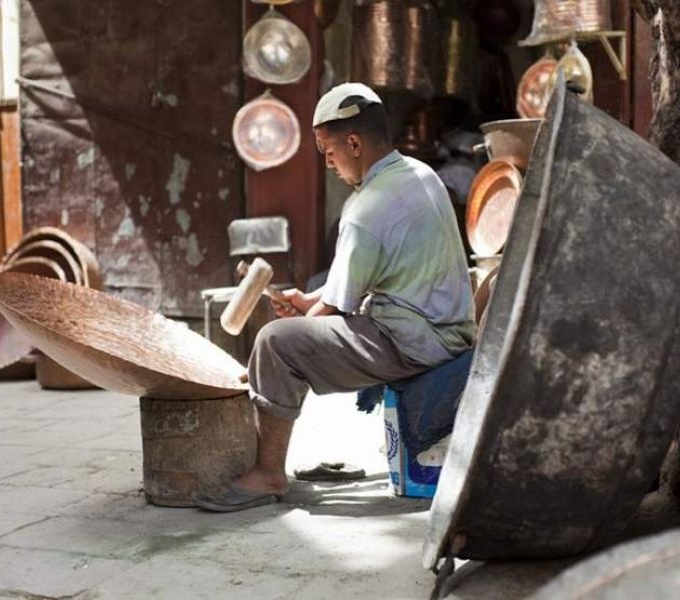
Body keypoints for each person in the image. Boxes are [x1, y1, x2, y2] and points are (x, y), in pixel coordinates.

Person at [196, 83, 476, 512]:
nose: (327, 163)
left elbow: (337, 307)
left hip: (416, 341)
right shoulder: (421, 175)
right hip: (446, 327)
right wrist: (307, 301)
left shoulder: (365, 211)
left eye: (329, 152)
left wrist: (309, 314)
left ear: (354, 143)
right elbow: (351, 284)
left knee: (276, 342)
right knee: (303, 316)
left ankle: (268, 473)